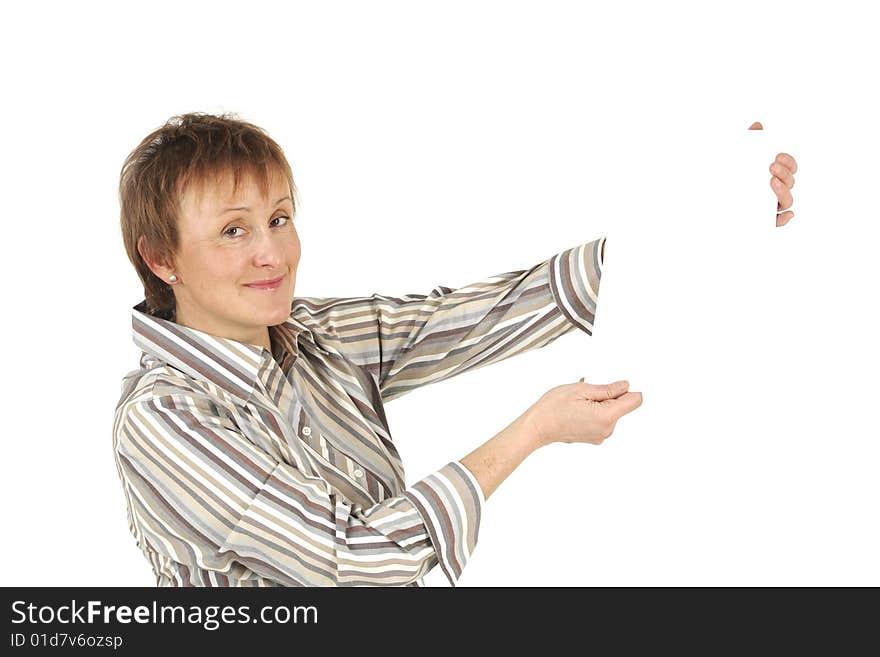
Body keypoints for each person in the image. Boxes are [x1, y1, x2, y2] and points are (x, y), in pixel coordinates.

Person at [113, 112, 797, 587]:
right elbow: (351, 565)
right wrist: (533, 431)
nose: (272, 252)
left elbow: (484, 313)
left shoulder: (316, 335)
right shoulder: (165, 418)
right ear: (162, 256)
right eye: (234, 230)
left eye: (280, 218)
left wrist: (709, 207)